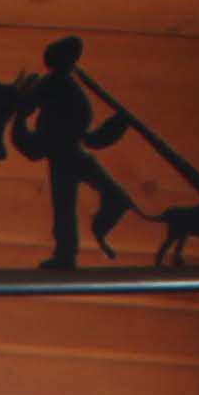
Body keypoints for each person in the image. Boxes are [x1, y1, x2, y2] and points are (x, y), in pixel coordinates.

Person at [14, 34, 138, 272]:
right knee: (68, 201)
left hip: (63, 151)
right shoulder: (57, 85)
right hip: (63, 149)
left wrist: (23, 109)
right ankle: (69, 250)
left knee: (65, 204)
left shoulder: (55, 86)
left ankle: (67, 252)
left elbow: (30, 108)